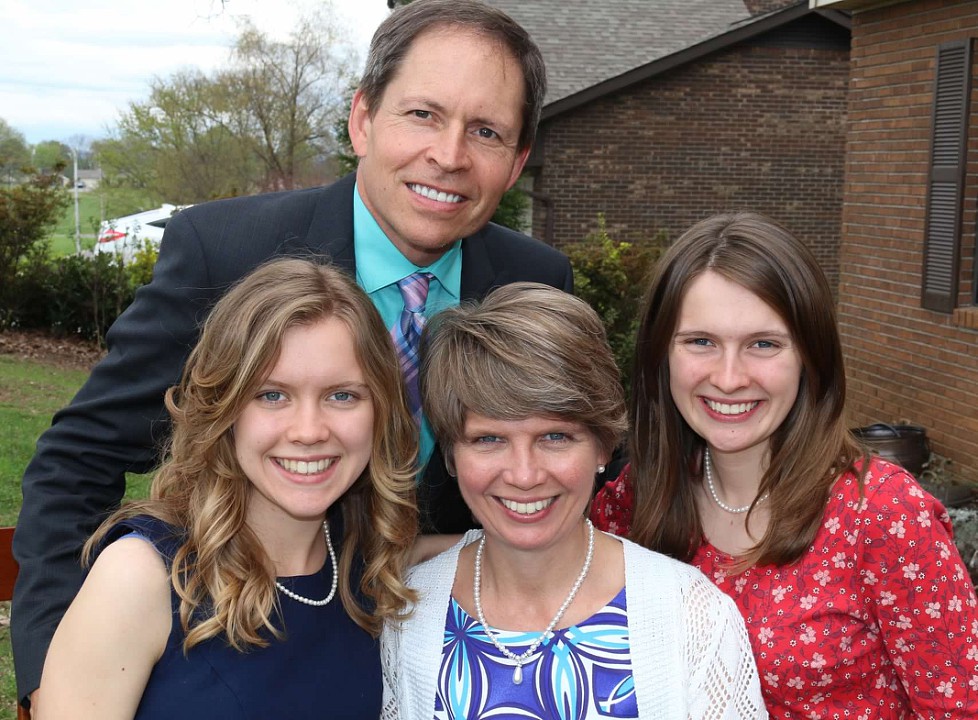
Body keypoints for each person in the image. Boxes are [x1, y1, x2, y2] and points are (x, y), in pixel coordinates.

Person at [13, 0, 574, 710]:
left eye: (487, 131)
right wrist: (60, 672)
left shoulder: (534, 283)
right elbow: (79, 460)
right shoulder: (226, 253)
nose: (450, 155)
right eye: (423, 114)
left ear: (518, 161)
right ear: (363, 119)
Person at [590, 212, 978, 718]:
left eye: (763, 344)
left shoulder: (882, 514)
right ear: (661, 355)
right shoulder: (635, 502)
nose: (729, 378)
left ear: (809, 357)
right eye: (700, 341)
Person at [35, 258, 418, 719]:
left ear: (381, 411)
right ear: (225, 408)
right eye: (272, 395)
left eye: (343, 395)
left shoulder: (372, 565)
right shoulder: (141, 578)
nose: (309, 430)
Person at [382, 283, 766, 719]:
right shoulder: (408, 612)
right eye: (489, 439)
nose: (524, 475)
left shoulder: (693, 617)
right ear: (451, 453)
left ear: (603, 447)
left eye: (555, 437)